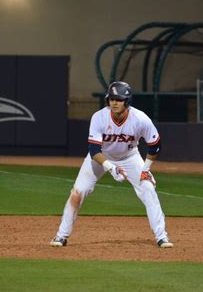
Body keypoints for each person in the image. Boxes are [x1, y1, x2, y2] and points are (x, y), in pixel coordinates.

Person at [50, 81, 173, 248]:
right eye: (111, 98)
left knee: (148, 188)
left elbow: (155, 145)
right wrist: (110, 167)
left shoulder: (140, 119)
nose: (114, 102)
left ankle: (162, 237)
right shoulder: (99, 117)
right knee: (78, 192)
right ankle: (61, 236)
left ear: (127, 101)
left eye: (119, 99)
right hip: (101, 158)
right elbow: (94, 150)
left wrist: (146, 169)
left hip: (130, 157)